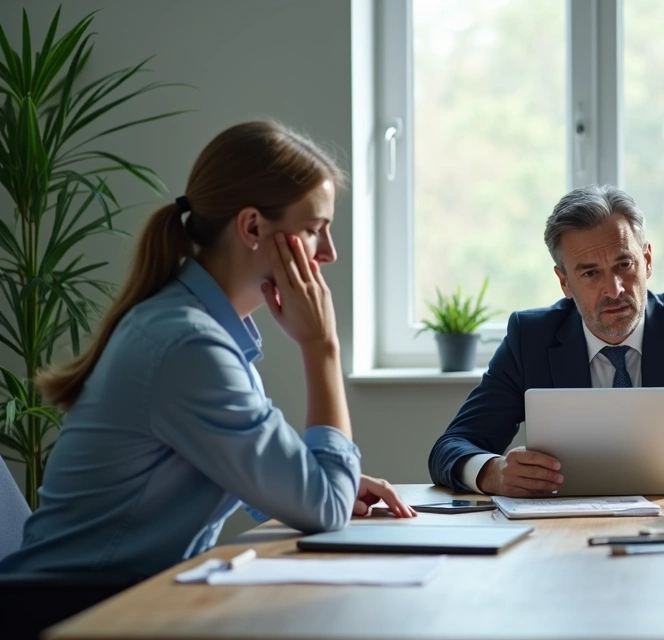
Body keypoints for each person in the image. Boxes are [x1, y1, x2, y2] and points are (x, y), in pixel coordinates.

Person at [0, 121, 415, 579]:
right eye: (316, 229)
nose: (329, 252)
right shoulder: (189, 344)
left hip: (109, 599)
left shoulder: (199, 328)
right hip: (70, 611)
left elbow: (256, 477)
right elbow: (325, 508)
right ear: (253, 226)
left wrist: (318, 477)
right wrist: (323, 347)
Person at [429, 185, 664, 496]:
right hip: (563, 531)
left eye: (624, 265)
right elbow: (451, 447)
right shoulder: (531, 338)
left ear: (647, 260)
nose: (614, 289)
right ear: (564, 283)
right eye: (590, 273)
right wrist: (491, 472)